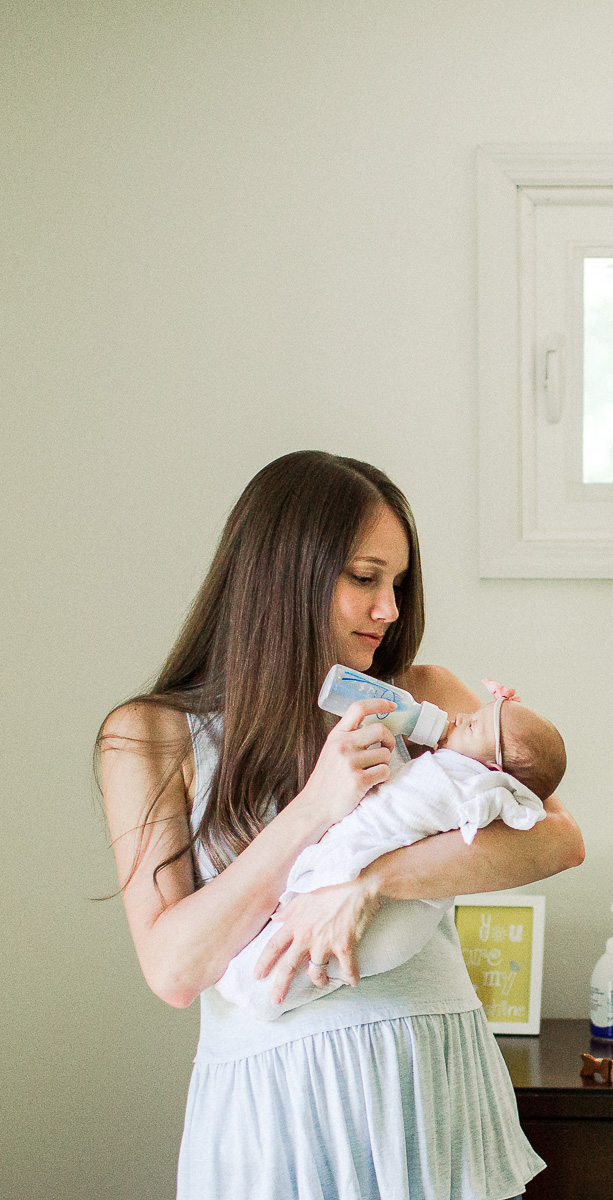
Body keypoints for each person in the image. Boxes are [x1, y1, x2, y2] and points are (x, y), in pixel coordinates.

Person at [97, 450, 584, 1200]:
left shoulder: (422, 695)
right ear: (283, 574)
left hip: (423, 1083)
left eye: (397, 583)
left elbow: (557, 839)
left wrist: (371, 881)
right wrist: (317, 808)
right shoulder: (149, 736)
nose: (388, 608)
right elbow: (173, 970)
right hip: (274, 1109)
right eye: (364, 578)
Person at [216, 686, 568, 1020]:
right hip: (368, 856)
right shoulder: (453, 765)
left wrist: (365, 880)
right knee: (301, 936)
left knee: (323, 953)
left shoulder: (468, 784)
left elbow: (416, 804)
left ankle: (258, 990)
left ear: (494, 769)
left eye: (473, 724)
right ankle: (256, 987)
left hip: (399, 902)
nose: (459, 718)